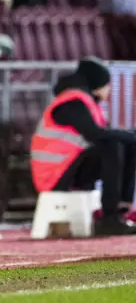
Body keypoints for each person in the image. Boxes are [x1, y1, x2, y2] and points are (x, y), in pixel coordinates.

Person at [31, 56, 136, 236]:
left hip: (68, 169)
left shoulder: (85, 102)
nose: (109, 89)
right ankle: (109, 218)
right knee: (113, 146)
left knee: (126, 145)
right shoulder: (72, 102)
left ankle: (120, 210)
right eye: (107, 84)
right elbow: (96, 134)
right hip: (54, 176)